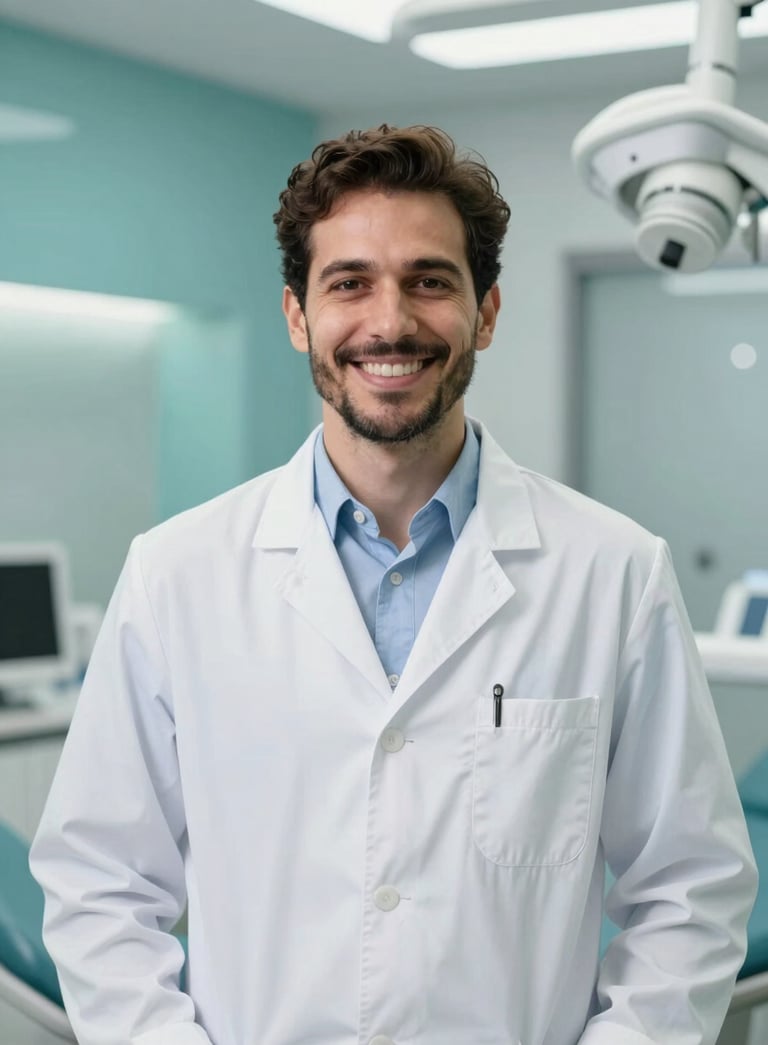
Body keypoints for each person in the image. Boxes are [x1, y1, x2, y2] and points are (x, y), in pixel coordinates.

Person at [31, 125, 756, 1045]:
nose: (390, 321)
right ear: (298, 314)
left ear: (485, 312)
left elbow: (689, 888)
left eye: (429, 279)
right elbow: (99, 882)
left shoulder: (612, 573)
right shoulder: (178, 573)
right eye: (349, 282)